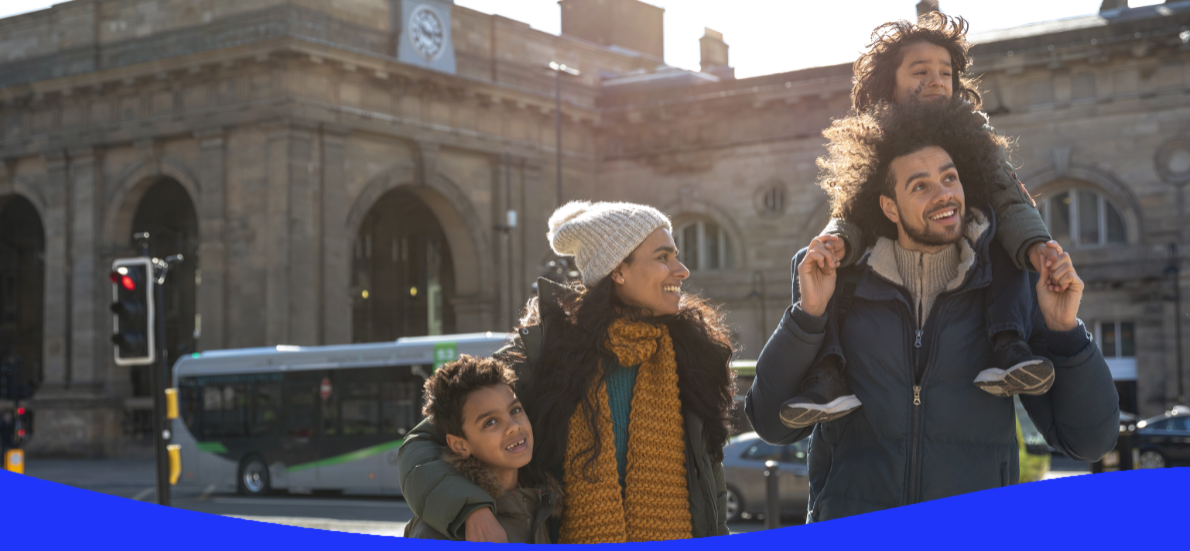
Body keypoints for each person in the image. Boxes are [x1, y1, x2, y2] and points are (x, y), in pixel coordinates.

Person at [745, 98, 1120, 522]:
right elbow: (771, 424)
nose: (944, 194)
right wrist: (808, 314)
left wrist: (1065, 329)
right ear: (889, 206)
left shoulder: (1008, 287)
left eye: (950, 178)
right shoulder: (839, 283)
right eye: (920, 186)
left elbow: (1089, 441)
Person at [782, 13, 1060, 427]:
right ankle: (827, 372)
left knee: (1002, 238)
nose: (936, 81)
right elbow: (852, 211)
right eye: (920, 72)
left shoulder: (976, 134)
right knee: (819, 263)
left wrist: (1037, 245)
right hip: (887, 249)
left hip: (970, 248)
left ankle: (1008, 343)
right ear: (889, 84)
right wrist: (838, 240)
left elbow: (1011, 200)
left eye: (945, 73)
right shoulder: (877, 138)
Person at [398, 201, 735, 543]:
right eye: (663, 257)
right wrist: (470, 509)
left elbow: (712, 489)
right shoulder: (544, 356)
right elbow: (421, 444)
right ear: (618, 270)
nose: (682, 270)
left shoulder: (692, 359)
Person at [403, 355, 559, 543]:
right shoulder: (434, 533)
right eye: (490, 422)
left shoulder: (545, 503)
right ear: (460, 445)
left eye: (515, 410)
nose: (513, 426)